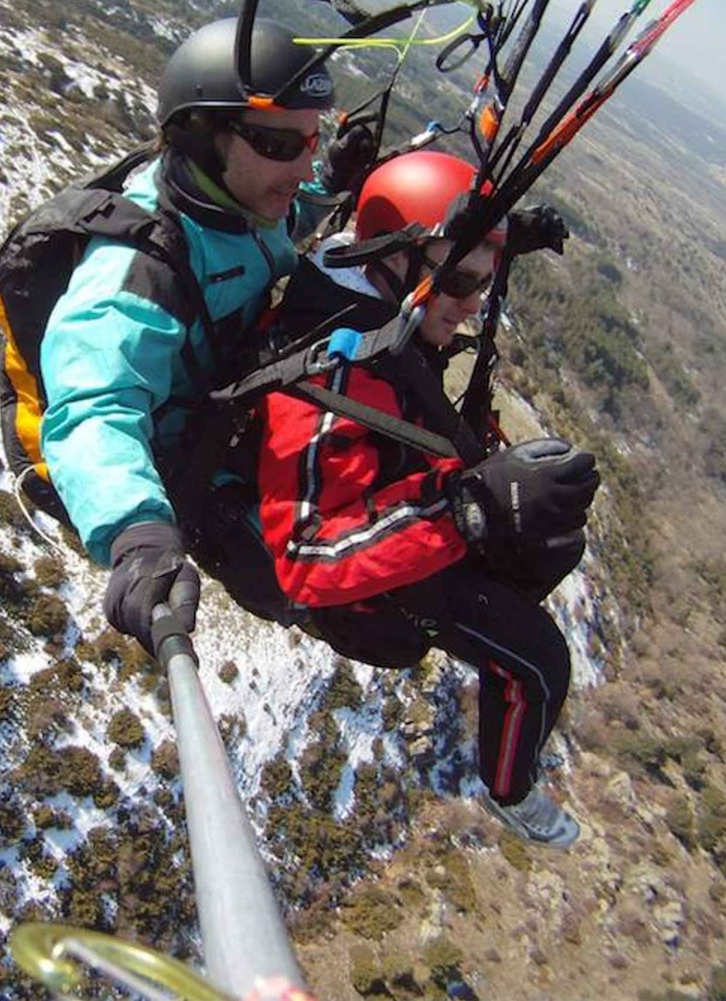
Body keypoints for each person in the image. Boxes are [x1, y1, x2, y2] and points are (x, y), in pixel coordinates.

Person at [256, 149, 599, 848]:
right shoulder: (332, 370)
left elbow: (416, 230)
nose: (473, 302)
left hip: (403, 492)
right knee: (538, 662)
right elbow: (304, 558)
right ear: (397, 260)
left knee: (553, 536)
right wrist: (465, 508)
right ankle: (511, 790)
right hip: (361, 586)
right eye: (463, 280)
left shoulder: (374, 285)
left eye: (485, 279)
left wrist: (500, 237)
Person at [30, 17, 363, 654]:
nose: (302, 165)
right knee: (312, 582)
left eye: (312, 140)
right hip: (189, 457)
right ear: (203, 137)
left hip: (234, 391)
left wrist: (333, 182)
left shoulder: (237, 202)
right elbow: (93, 404)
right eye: (279, 144)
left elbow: (285, 220)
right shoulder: (139, 270)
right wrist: (138, 534)